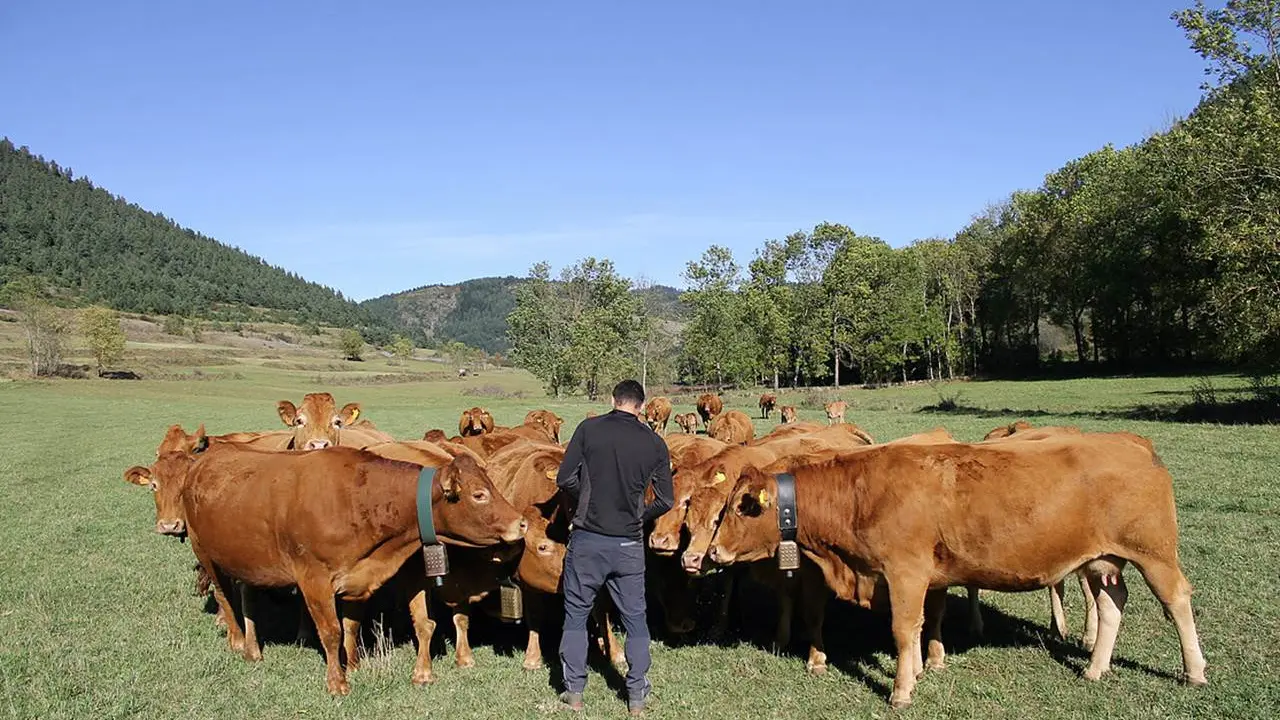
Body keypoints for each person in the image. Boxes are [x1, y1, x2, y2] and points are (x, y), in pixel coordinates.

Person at [555, 379, 674, 715]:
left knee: (576, 615)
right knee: (636, 618)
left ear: (613, 399)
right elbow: (666, 499)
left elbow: (564, 478)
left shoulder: (588, 429)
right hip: (628, 544)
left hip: (587, 539)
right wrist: (639, 514)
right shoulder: (654, 443)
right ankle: (636, 695)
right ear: (641, 405)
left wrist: (586, 503)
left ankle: (574, 692)